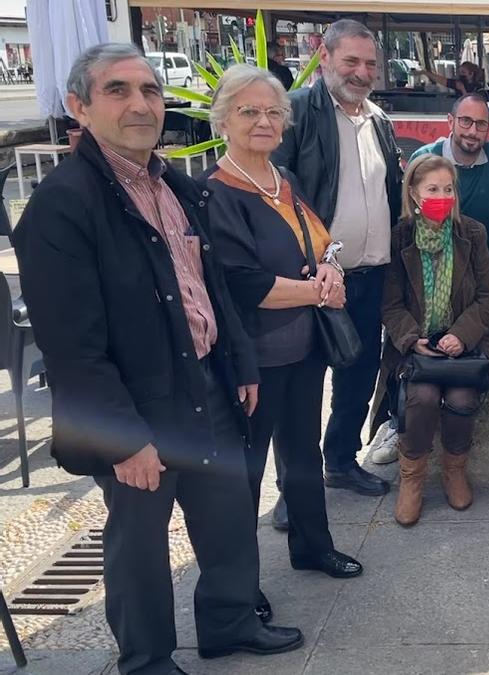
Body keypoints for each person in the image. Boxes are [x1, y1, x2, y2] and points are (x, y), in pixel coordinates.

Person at [12, 44, 303, 674]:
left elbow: (212, 288)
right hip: (136, 405)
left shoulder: (174, 185)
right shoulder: (63, 205)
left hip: (207, 383)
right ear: (78, 108)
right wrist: (123, 439)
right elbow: (69, 346)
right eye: (118, 91)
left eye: (149, 90)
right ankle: (146, 660)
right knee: (140, 543)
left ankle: (228, 624)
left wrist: (242, 365)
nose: (141, 104)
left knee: (227, 515)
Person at [205, 65, 365, 617]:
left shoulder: (282, 182)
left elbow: (323, 245)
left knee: (302, 453)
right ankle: (241, 590)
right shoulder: (217, 193)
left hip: (303, 350)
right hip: (253, 359)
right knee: (246, 474)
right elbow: (242, 283)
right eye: (249, 111)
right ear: (224, 118)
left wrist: (332, 271)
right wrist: (317, 293)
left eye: (273, 112)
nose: (263, 121)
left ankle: (312, 547)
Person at [273, 19, 403, 513]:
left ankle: (341, 461)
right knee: (302, 387)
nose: (361, 72)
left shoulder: (378, 120)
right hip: (312, 279)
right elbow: (279, 192)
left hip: (369, 276)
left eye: (369, 63)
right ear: (322, 56)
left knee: (358, 373)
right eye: (351, 60)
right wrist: (312, 259)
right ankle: (293, 489)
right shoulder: (298, 112)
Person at [384, 153, 489, 526]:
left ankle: (455, 470)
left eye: (448, 188)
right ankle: (412, 480)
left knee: (460, 397)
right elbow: (390, 304)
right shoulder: (400, 237)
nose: (442, 196)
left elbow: (487, 296)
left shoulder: (471, 233)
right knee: (421, 396)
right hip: (417, 348)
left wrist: (460, 334)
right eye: (433, 189)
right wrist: (411, 338)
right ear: (415, 194)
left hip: (463, 349)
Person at [409, 93, 489, 306]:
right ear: (450, 121)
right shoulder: (426, 158)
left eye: (481, 124)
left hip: (481, 270)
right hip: (431, 270)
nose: (472, 131)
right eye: (465, 121)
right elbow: (407, 221)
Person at [420, 61, 487, 96]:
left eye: (463, 72)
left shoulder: (478, 89)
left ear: (471, 74)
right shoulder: (459, 83)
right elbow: (442, 80)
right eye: (459, 72)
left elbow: (472, 104)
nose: (461, 74)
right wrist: (425, 73)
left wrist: (463, 89)